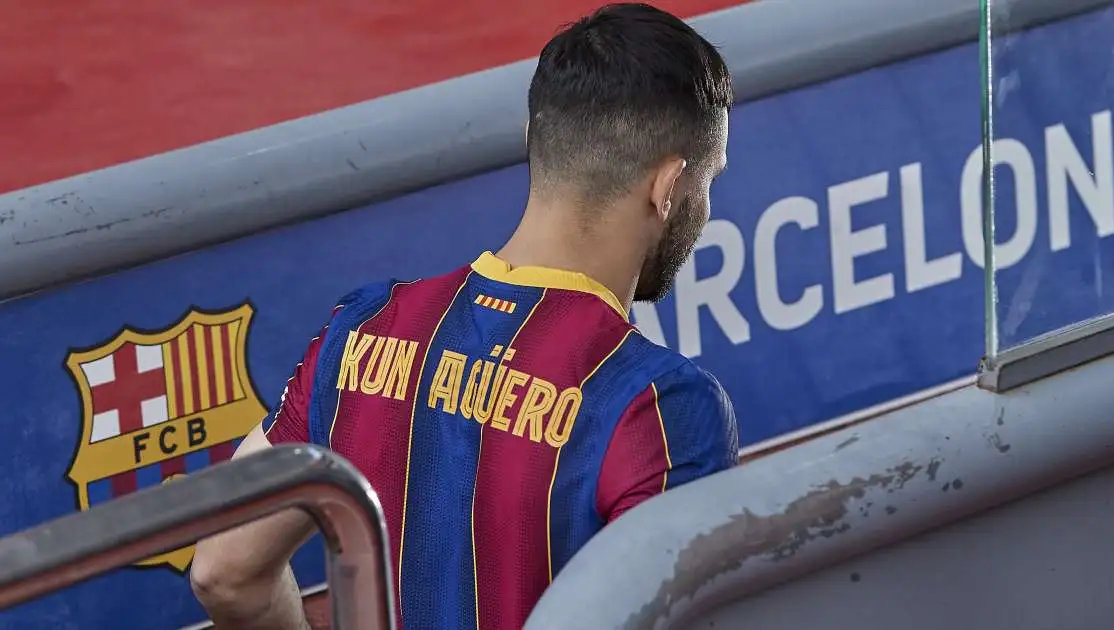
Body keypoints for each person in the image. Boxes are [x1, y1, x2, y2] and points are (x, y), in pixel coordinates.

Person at [189, 3, 738, 628]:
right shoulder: (661, 407)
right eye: (710, 178)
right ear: (669, 187)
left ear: (532, 138)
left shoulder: (361, 329)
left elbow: (223, 572)